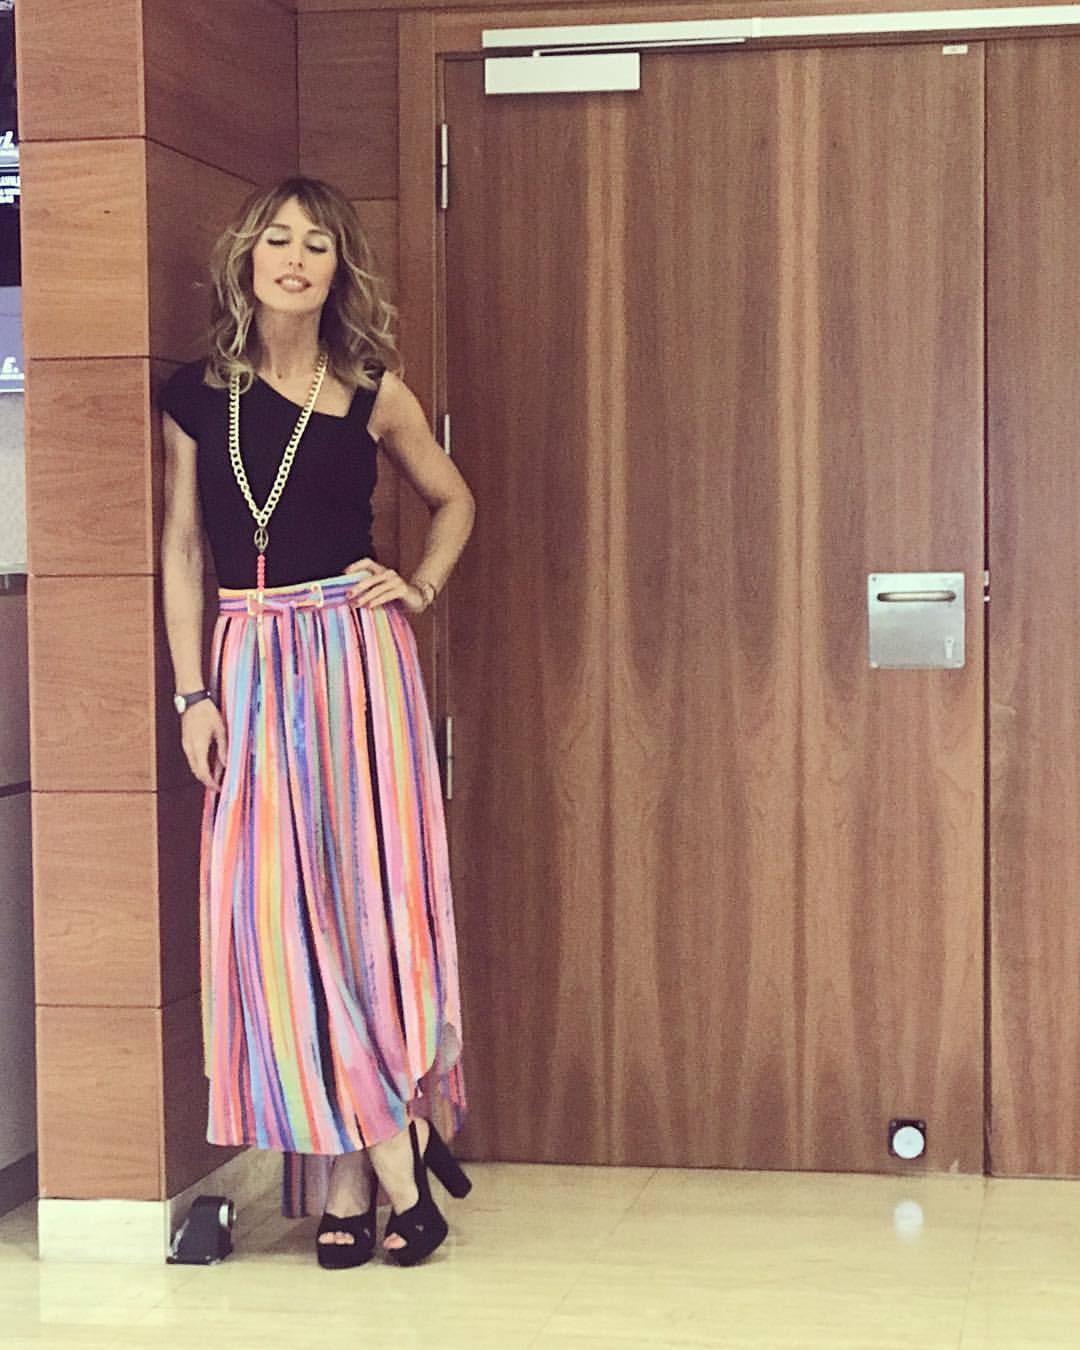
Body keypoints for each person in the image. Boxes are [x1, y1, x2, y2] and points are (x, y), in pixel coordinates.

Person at [159, 176, 475, 1269]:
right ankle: (398, 1150)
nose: (295, 260)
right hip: (246, 661)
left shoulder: (372, 392)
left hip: (353, 659)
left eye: (318, 245)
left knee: (359, 907)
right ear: (246, 259)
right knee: (273, 917)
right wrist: (192, 693)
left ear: (339, 270)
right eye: (279, 240)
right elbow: (183, 548)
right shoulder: (197, 394)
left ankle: (354, 1175)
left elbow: (454, 499)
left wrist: (417, 588)